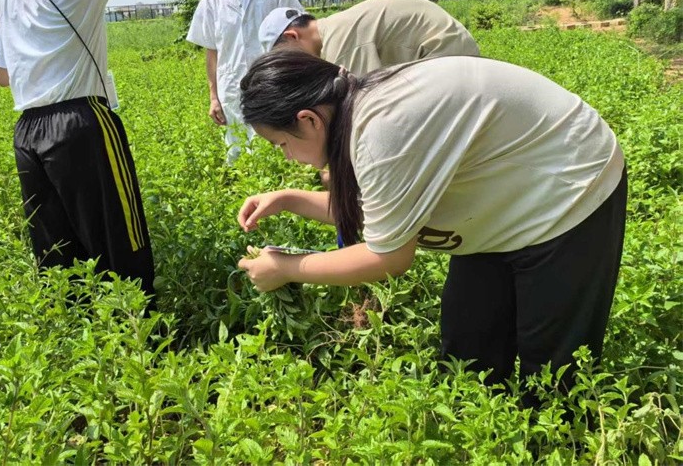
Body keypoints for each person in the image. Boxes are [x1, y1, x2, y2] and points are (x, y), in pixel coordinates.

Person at [236, 49, 627, 399]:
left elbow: (387, 256)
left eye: (282, 145)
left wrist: (286, 269)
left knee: (551, 375)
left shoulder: (382, 132)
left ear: (308, 120)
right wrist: (289, 200)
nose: (287, 157)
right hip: (500, 203)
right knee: (469, 355)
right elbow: (383, 209)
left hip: (569, 188)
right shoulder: (358, 108)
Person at [0, 0, 156, 298]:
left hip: (27, 132)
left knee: (58, 255)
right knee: (121, 242)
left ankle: (80, 336)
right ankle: (145, 338)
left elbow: (2, 76)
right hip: (81, 122)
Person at [186, 0, 302, 163]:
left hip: (274, 85)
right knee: (238, 157)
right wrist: (214, 97)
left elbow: (299, 33)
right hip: (232, 90)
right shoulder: (211, 0)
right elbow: (212, 52)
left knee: (279, 155)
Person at [258, 0, 479, 77]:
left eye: (287, 56)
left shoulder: (340, 46)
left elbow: (361, 109)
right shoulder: (334, 29)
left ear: (293, 36)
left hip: (448, 59)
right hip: (441, 59)